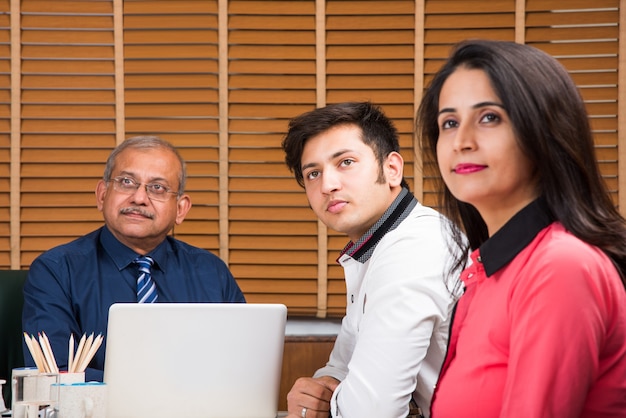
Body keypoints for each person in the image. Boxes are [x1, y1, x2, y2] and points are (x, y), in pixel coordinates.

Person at [416, 39, 626, 417]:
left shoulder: (560, 267)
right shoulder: (485, 271)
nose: (461, 142)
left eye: (489, 117)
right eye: (449, 122)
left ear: (542, 130)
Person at [281, 102, 463, 418]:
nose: (327, 185)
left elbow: (372, 410)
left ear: (392, 169)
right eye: (313, 173)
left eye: (346, 162)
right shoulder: (374, 245)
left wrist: (334, 402)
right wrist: (320, 390)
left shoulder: (414, 245)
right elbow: (343, 365)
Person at [22, 135, 246, 381]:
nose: (139, 198)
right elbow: (54, 375)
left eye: (157, 187)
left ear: (180, 209)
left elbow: (240, 367)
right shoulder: (56, 271)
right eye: (127, 182)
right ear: (102, 195)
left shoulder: (212, 273)